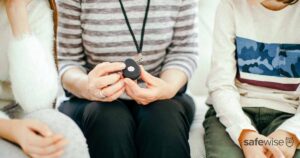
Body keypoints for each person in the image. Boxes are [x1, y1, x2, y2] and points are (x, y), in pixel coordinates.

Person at [56, 0, 199, 157]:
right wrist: (87, 87)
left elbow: (183, 52)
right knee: (109, 120)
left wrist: (167, 88)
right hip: (92, 101)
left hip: (165, 98)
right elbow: (69, 61)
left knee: (163, 119)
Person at [204, 0, 300, 157]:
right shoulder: (230, 5)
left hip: (290, 112)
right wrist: (245, 134)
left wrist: (292, 133)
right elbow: (220, 84)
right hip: (233, 110)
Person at [0, 0, 90, 158]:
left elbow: (37, 102)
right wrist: (9, 128)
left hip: (17, 109)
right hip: (5, 122)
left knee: (62, 134)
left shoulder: (36, 6)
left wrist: (16, 11)